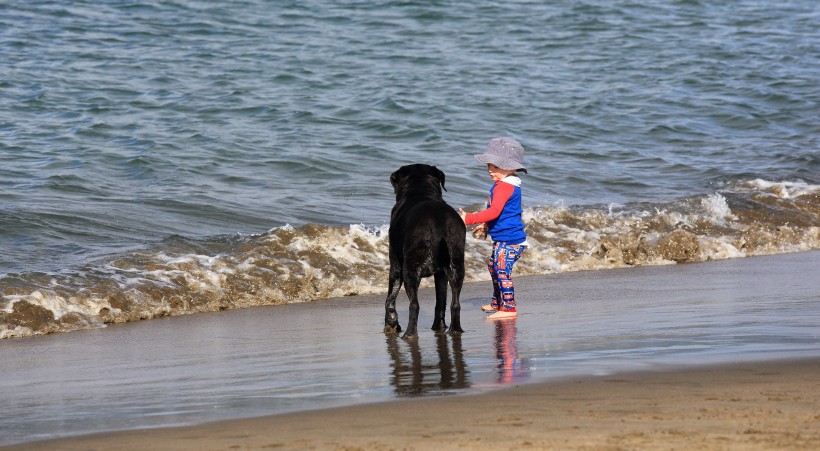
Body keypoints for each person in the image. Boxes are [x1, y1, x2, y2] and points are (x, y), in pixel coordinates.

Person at [458, 137, 528, 320]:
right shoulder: (507, 185)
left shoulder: (504, 188)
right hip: (505, 238)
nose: (490, 169)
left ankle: (509, 309)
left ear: (511, 168)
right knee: (493, 267)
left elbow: (495, 211)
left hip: (510, 240)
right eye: (489, 165)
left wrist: (469, 218)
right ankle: (498, 303)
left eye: (496, 167)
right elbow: (504, 213)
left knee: (502, 270)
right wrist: (486, 225)